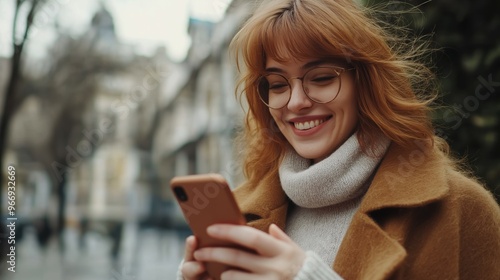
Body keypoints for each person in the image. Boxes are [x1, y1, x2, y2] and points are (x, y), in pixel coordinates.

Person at [178, 0, 500, 279]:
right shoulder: (241, 211)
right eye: (277, 85)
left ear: (365, 81)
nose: (296, 102)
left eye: (320, 78)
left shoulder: (463, 211)